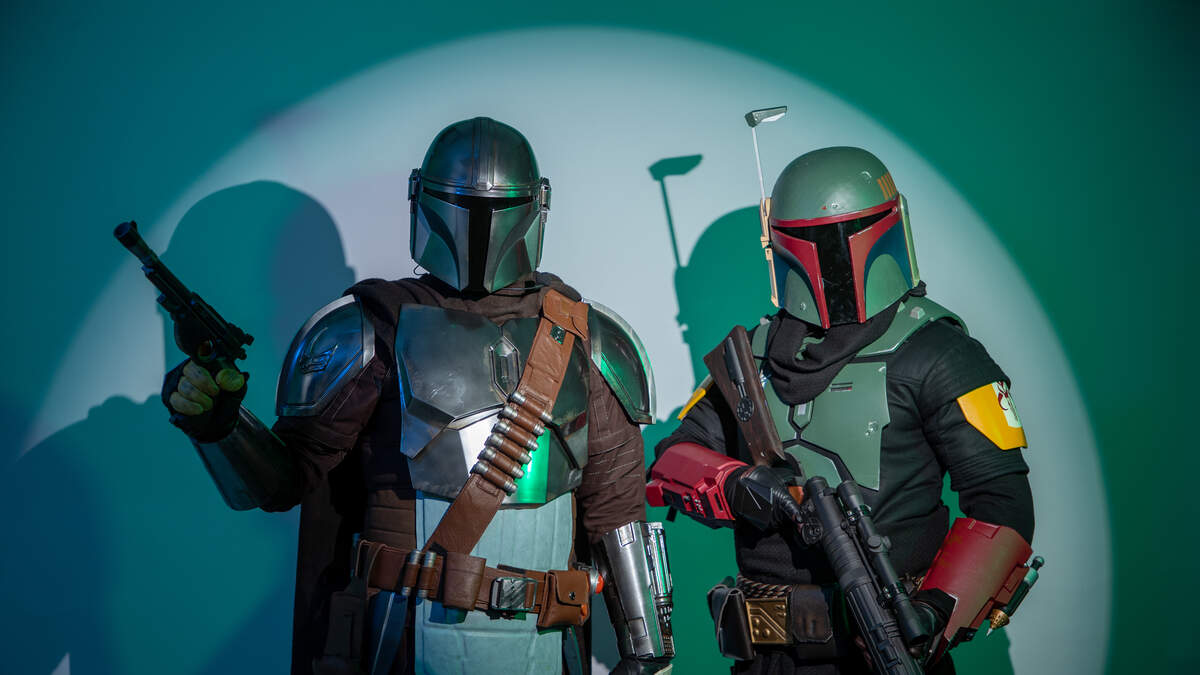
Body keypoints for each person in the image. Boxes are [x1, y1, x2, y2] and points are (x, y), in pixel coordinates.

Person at [162, 117, 673, 675]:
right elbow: (283, 481)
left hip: (544, 644)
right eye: (464, 205)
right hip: (401, 642)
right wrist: (219, 425)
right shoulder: (370, 328)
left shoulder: (584, 337)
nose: (480, 225)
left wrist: (648, 652)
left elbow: (617, 515)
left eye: (495, 207)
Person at [647, 146, 1035, 674]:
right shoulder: (751, 358)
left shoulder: (938, 351)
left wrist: (935, 612)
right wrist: (743, 485)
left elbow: (1001, 507)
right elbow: (672, 461)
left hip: (890, 646)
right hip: (767, 658)